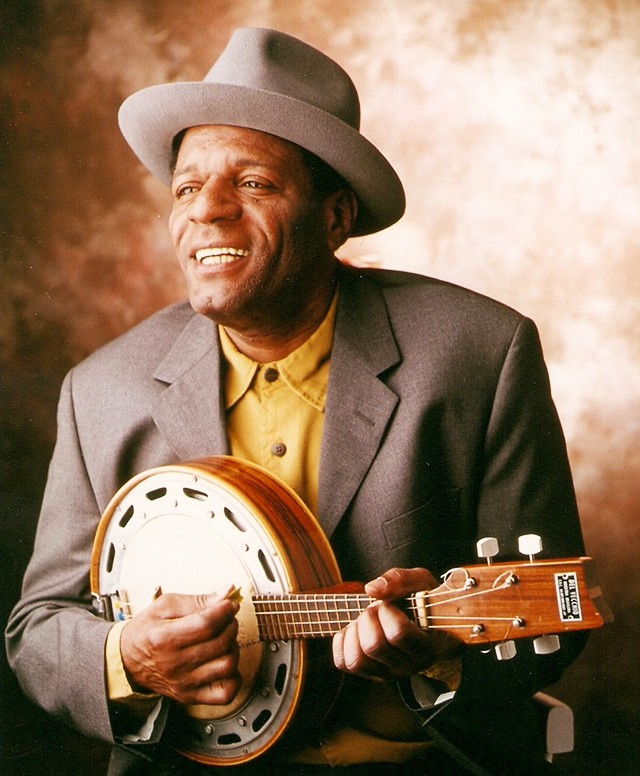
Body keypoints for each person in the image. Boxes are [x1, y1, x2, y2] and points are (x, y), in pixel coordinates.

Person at [6, 27, 587, 776]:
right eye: (186, 187)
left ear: (334, 217)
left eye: (252, 183)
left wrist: (437, 656)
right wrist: (127, 658)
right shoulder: (101, 389)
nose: (207, 211)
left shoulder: (478, 354)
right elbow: (38, 629)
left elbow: (555, 611)